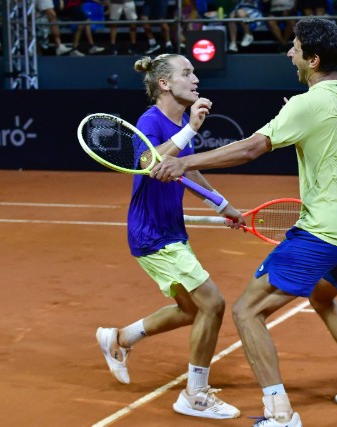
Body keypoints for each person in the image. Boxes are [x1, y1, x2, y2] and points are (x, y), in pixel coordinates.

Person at [150, 16, 337, 427]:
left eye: (295, 48)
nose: (289, 52)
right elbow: (335, 132)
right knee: (321, 296)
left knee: (247, 312)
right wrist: (299, 119)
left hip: (324, 233)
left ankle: (279, 412)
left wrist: (183, 162)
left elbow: (252, 148)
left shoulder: (306, 104)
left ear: (313, 59)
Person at [95, 53, 243, 420]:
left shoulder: (178, 123)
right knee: (212, 304)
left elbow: (185, 170)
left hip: (170, 230)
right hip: (152, 233)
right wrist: (190, 129)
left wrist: (222, 205)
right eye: (187, 73)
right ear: (164, 83)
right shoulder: (151, 121)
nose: (196, 79)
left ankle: (120, 338)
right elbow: (149, 164)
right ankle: (195, 394)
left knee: (191, 309)